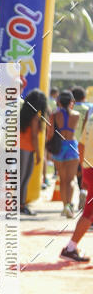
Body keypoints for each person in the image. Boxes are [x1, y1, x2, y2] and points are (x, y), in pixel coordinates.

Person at [61, 106, 93, 261]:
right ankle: (70, 247)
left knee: (89, 212)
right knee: (89, 213)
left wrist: (84, 169)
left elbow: (81, 145)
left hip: (89, 168)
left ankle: (71, 247)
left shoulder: (91, 117)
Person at [49, 90, 80, 218]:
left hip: (59, 147)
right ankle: (69, 205)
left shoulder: (54, 114)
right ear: (71, 102)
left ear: (59, 101)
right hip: (72, 146)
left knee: (62, 179)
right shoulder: (76, 115)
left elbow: (50, 134)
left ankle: (65, 206)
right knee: (71, 179)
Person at [19, 89, 46, 215]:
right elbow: (34, 137)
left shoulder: (22, 114)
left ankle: (19, 204)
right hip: (27, 149)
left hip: (19, 147)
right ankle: (21, 205)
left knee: (20, 178)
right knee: (24, 178)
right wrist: (39, 154)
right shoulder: (35, 118)